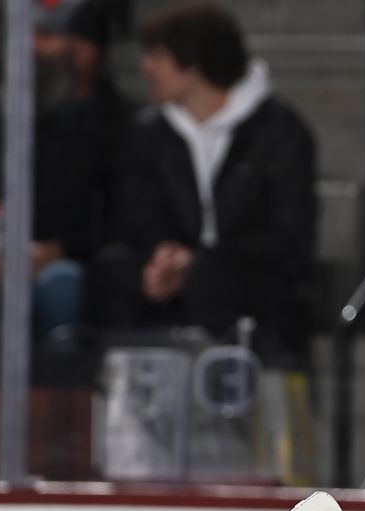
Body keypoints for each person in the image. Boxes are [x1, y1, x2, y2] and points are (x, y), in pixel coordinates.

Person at [103, 0, 317, 359]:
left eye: (157, 55)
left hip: (253, 280)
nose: (146, 66)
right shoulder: (149, 133)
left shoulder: (279, 131)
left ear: (193, 63)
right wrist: (162, 256)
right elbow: (135, 212)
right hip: (175, 281)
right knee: (115, 271)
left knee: (212, 278)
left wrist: (202, 261)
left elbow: (290, 233)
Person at [0, 0, 127, 345]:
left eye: (46, 37)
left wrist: (62, 249)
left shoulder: (110, 124)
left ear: (85, 50)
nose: (32, 47)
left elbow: (118, 215)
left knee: (63, 283)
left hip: (64, 263)